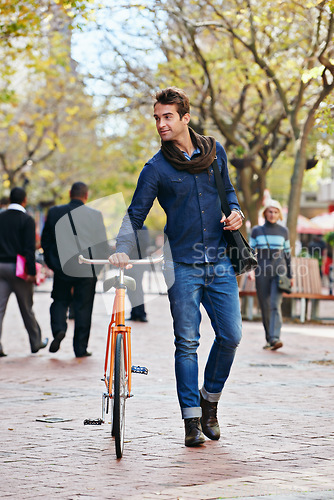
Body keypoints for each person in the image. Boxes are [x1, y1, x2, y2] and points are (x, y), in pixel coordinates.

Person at [109, 87, 244, 447]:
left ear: (185, 117)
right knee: (187, 342)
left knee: (231, 336)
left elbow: (229, 193)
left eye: (167, 116)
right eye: (157, 117)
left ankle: (209, 401)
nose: (161, 124)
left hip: (218, 261)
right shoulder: (155, 168)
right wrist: (122, 248)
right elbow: (135, 215)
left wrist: (236, 212)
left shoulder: (215, 154)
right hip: (180, 264)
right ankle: (191, 421)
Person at [41, 182, 110, 358]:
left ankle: (58, 329)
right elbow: (102, 244)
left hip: (62, 266)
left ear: (70, 193)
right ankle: (80, 349)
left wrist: (52, 263)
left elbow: (46, 241)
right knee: (83, 308)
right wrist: (97, 267)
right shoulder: (95, 215)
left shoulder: (55, 212)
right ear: (86, 196)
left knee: (59, 301)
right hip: (87, 267)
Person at [0, 187, 48, 356]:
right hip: (19, 270)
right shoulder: (26, 220)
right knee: (27, 308)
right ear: (24, 200)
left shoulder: (1, 217)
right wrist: (32, 273)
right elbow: (29, 249)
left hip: (0, 267)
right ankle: (35, 342)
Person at [249, 199, 292, 351]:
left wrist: (290, 275)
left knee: (275, 304)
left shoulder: (284, 231)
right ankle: (270, 339)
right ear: (265, 213)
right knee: (265, 306)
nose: (272, 214)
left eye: (275, 212)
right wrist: (250, 271)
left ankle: (275, 338)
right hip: (261, 272)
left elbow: (287, 255)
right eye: (270, 211)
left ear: (279, 214)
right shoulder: (256, 231)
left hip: (279, 273)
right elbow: (250, 253)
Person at [126, 225, 150, 322]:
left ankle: (141, 313)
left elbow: (144, 244)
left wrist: (128, 244)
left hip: (138, 262)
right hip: (127, 262)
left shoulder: (143, 228)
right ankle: (134, 313)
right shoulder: (126, 228)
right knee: (130, 289)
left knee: (138, 288)